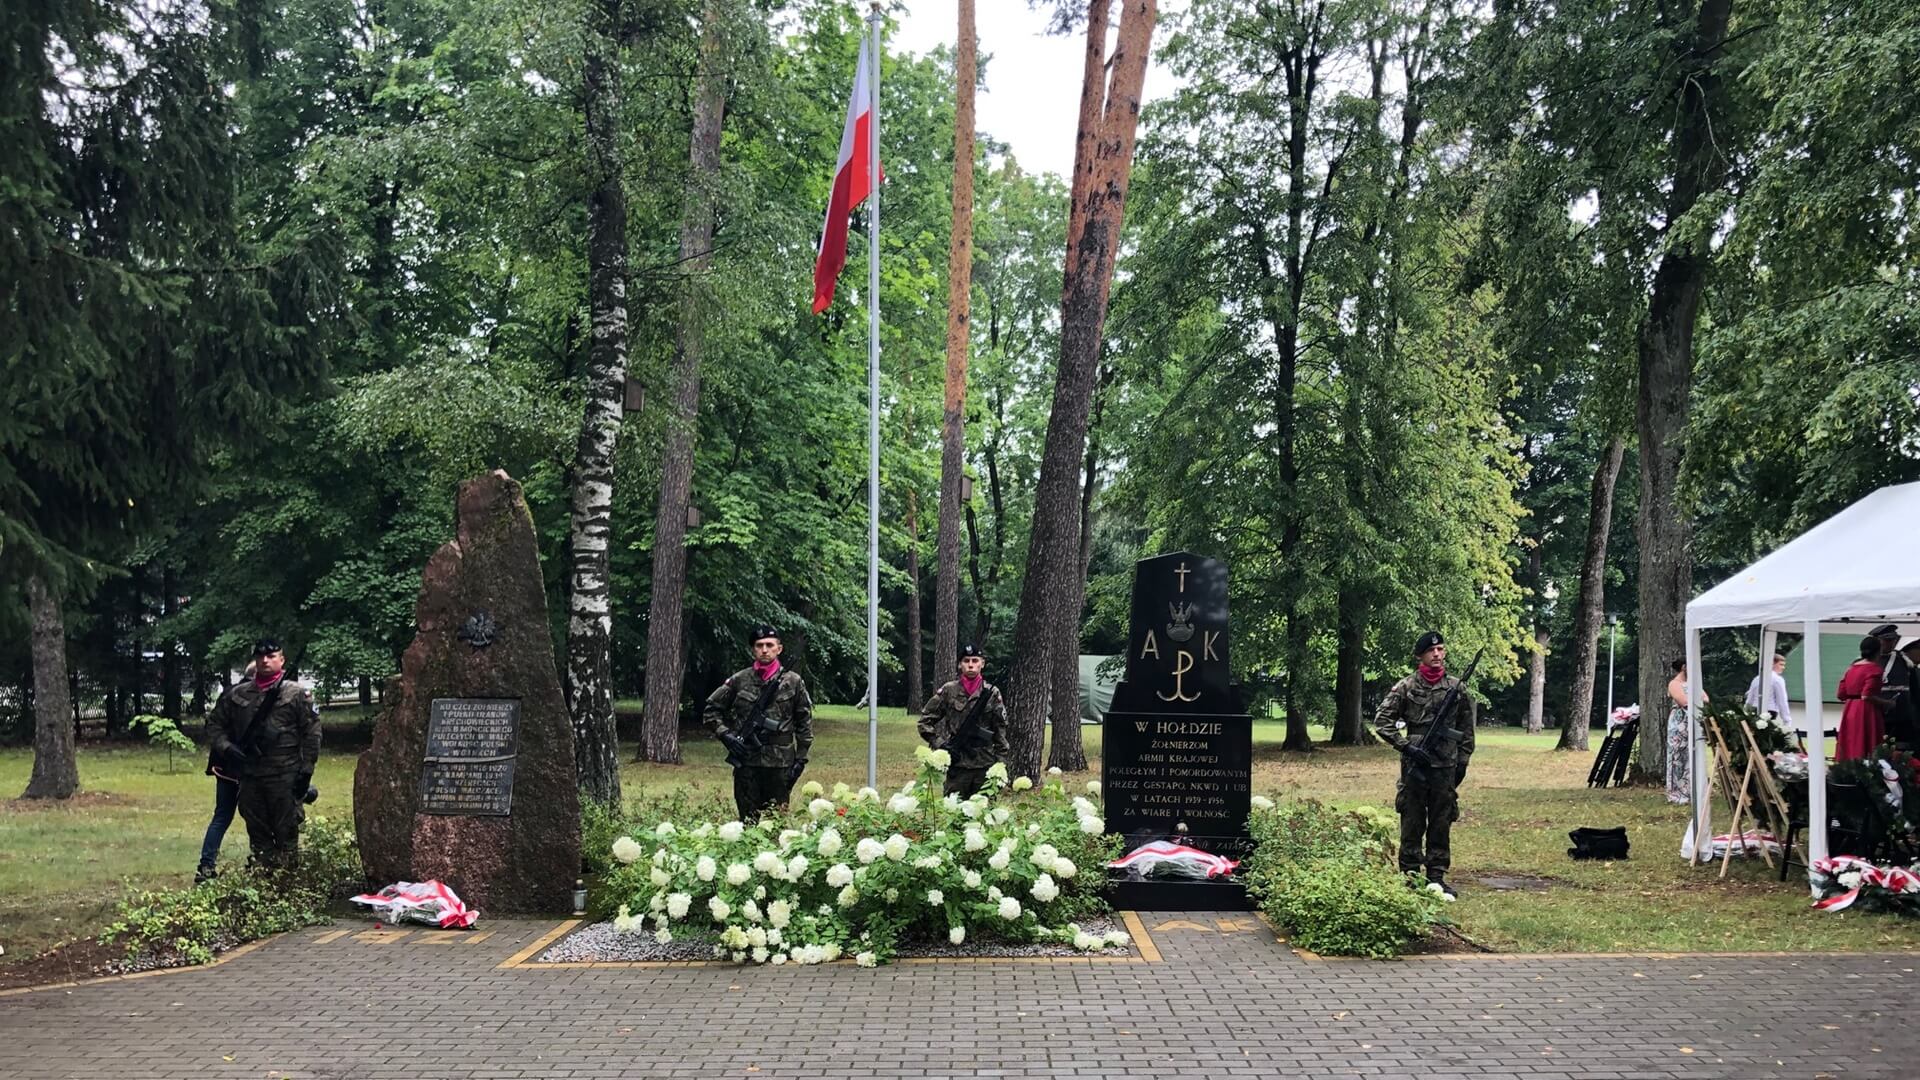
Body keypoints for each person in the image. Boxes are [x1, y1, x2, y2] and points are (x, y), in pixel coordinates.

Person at [1372, 630, 1476, 899]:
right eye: (1431, 651)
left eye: (1441, 649)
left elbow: (1466, 729)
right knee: (1412, 819)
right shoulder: (1406, 687)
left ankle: (1436, 876)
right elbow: (1382, 721)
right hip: (1415, 766)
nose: (1437, 654)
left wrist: (1462, 762)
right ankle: (1409, 876)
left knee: (1441, 820)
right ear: (1421, 656)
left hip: (1445, 765)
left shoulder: (1456, 688)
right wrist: (1406, 747)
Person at [204, 639, 321, 870]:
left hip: (284, 777)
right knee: (258, 839)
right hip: (250, 778)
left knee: (287, 837)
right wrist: (227, 748)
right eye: (260, 657)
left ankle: (288, 884)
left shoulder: (297, 694)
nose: (265, 661)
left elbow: (313, 733)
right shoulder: (238, 694)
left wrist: (306, 771)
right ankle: (263, 883)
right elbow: (214, 725)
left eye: (271, 656)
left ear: (282, 660)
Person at [704, 625, 813, 820]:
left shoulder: (793, 681)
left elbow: (804, 721)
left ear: (779, 649)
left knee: (776, 822)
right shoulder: (740, 680)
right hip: (747, 762)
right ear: (753, 650)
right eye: (759, 645)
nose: (764, 650)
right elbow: (711, 710)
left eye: (769, 645)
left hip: (780, 764)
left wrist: (801, 758)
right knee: (747, 822)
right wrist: (726, 736)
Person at [918, 643, 1010, 797]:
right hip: (958, 765)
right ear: (960, 665)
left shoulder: (992, 693)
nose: (971, 665)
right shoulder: (949, 690)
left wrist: (1000, 764)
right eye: (966, 661)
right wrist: (941, 744)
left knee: (984, 809)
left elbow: (1000, 730)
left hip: (985, 765)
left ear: (982, 664)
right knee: (953, 808)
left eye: (975, 661)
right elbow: (924, 722)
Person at [1837, 634, 1892, 760]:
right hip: (1866, 710)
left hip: (1850, 708)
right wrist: (1887, 703)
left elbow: (1841, 694)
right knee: (1868, 743)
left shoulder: (1851, 668)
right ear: (1878, 651)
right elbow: (1867, 695)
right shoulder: (1874, 669)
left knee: (1851, 742)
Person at [1665, 660, 1706, 805]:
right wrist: (1697, 701)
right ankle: (1676, 793)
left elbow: (1706, 699)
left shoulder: (1694, 684)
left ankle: (1691, 790)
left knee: (1692, 755)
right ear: (1684, 667)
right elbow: (1683, 701)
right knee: (1677, 755)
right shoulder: (1674, 684)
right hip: (1680, 722)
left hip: (1694, 722)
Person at [1744, 654, 1792, 729]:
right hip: (1770, 712)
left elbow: (1749, 700)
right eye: (1781, 664)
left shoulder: (1756, 679)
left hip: (1754, 712)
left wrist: (1745, 714)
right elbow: (1782, 701)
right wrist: (1787, 720)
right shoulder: (1778, 679)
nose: (1783, 668)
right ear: (1772, 664)